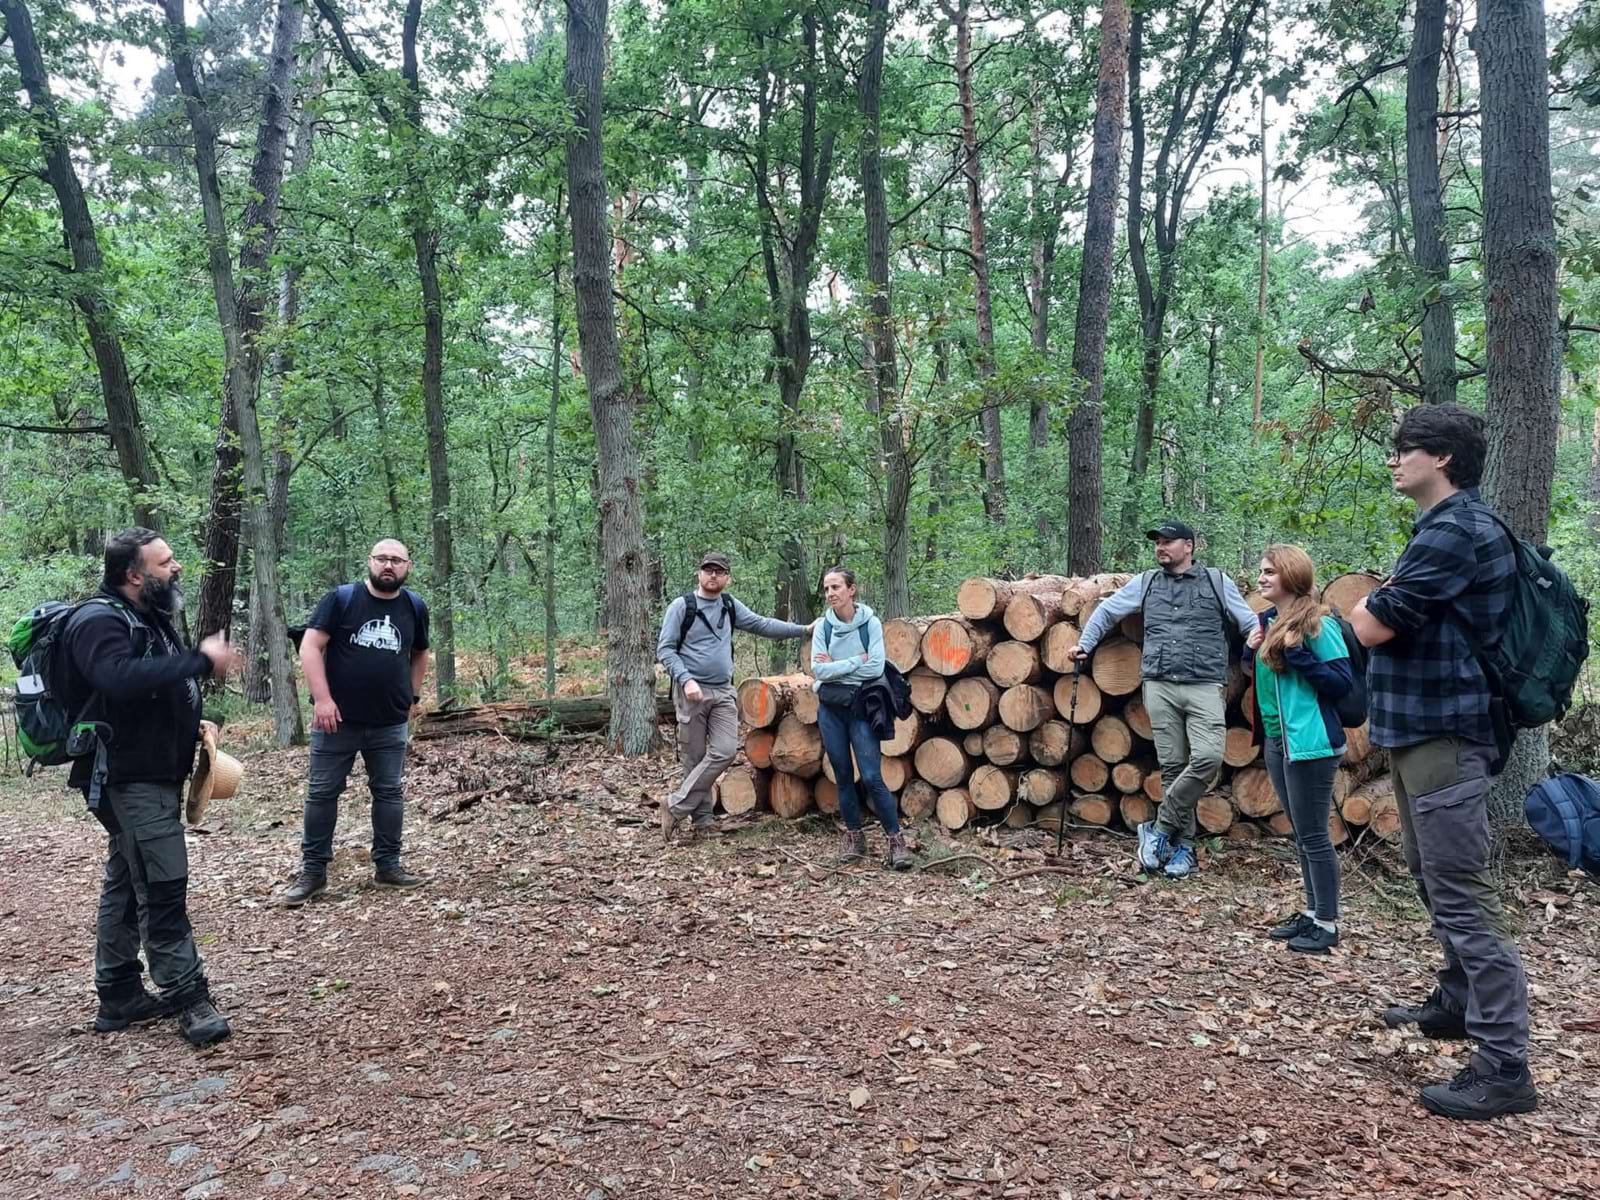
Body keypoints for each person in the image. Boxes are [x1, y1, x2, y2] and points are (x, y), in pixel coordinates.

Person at [1350, 403, 1535, 1121]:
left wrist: (1375, 601)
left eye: (1407, 449)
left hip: (1448, 733)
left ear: (1444, 460)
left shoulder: (1458, 531)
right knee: (1433, 877)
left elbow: (1369, 623)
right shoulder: (1438, 531)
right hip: (1420, 731)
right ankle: (1457, 1004)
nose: (1395, 460)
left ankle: (1504, 1066)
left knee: (1462, 894)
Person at [58, 528, 241, 1046]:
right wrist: (201, 662)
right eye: (165, 562)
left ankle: (118, 992)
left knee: (127, 876)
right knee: (163, 882)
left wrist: (196, 723)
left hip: (154, 773)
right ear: (134, 574)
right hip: (126, 777)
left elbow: (152, 686)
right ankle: (189, 997)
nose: (176, 567)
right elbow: (116, 678)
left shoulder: (146, 617)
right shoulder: (98, 619)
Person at [1071, 519, 1256, 878]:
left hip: (1205, 684)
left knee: (1207, 757)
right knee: (1172, 768)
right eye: (1157, 542)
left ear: (1189, 546)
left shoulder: (1218, 582)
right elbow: (1108, 610)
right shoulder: (1146, 582)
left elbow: (1248, 621)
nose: (1161, 547)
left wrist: (1259, 640)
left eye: (1168, 541)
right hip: (1159, 684)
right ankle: (1182, 850)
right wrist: (1085, 643)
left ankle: (1158, 829)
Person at [283, 539, 431, 905]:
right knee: (321, 794)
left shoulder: (414, 606)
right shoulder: (342, 599)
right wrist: (322, 699)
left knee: (389, 792)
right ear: (370, 562)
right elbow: (310, 646)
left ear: (407, 566)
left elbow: (420, 652)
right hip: (337, 721)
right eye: (382, 558)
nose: (388, 566)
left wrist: (412, 697)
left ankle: (389, 866)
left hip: (389, 722)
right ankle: (313, 872)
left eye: (396, 560)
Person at [654, 551, 811, 845]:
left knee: (725, 751)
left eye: (719, 572)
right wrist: (686, 679)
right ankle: (702, 821)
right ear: (699, 574)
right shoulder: (681, 606)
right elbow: (665, 649)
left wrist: (803, 629)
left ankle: (674, 806)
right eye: (708, 570)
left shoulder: (729, 605)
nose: (713, 575)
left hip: (723, 691)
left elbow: (763, 624)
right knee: (694, 757)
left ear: (727, 578)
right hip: (692, 693)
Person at [1245, 545, 1353, 954]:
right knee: (1302, 834)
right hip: (1279, 740)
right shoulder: (1270, 620)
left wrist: (1297, 655)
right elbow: (1265, 678)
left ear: (1291, 575)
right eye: (1261, 571)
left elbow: (1342, 683)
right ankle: (1311, 914)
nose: (1261, 579)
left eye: (1270, 572)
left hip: (1312, 743)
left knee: (1314, 834)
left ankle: (1326, 923)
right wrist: (1251, 648)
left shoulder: (1317, 625)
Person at [811, 568, 913, 870]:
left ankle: (896, 842)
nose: (830, 593)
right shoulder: (822, 628)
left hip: (861, 709)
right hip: (831, 709)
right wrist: (858, 660)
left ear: (851, 590)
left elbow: (876, 668)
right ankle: (855, 838)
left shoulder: (870, 623)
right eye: (827, 588)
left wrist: (838, 666)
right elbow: (819, 671)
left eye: (836, 587)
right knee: (842, 775)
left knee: (871, 776)